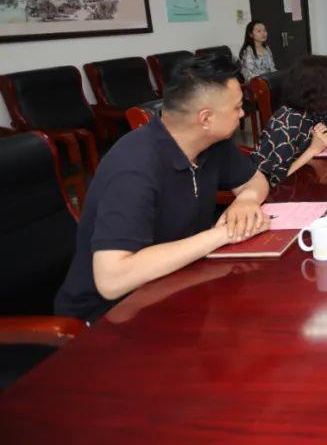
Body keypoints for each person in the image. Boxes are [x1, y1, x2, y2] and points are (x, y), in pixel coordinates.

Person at [54, 54, 270, 322]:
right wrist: (223, 234)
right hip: (108, 318)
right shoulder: (133, 166)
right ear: (205, 118)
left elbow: (255, 180)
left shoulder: (212, 143)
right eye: (237, 107)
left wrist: (246, 201)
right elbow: (111, 280)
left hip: (173, 285)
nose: (242, 113)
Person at [251, 56, 327, 186]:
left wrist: (321, 141)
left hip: (306, 179)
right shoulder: (287, 123)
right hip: (278, 192)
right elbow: (274, 182)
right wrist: (313, 149)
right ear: (313, 88)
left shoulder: (311, 111)